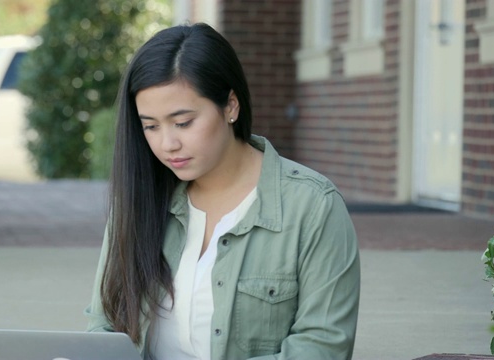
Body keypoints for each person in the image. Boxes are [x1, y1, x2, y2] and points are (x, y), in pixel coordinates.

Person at [85, 23, 360, 360]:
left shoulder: (312, 206)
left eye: (183, 122)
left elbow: (323, 348)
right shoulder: (139, 199)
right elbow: (104, 325)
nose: (167, 144)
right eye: (150, 126)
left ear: (230, 106)